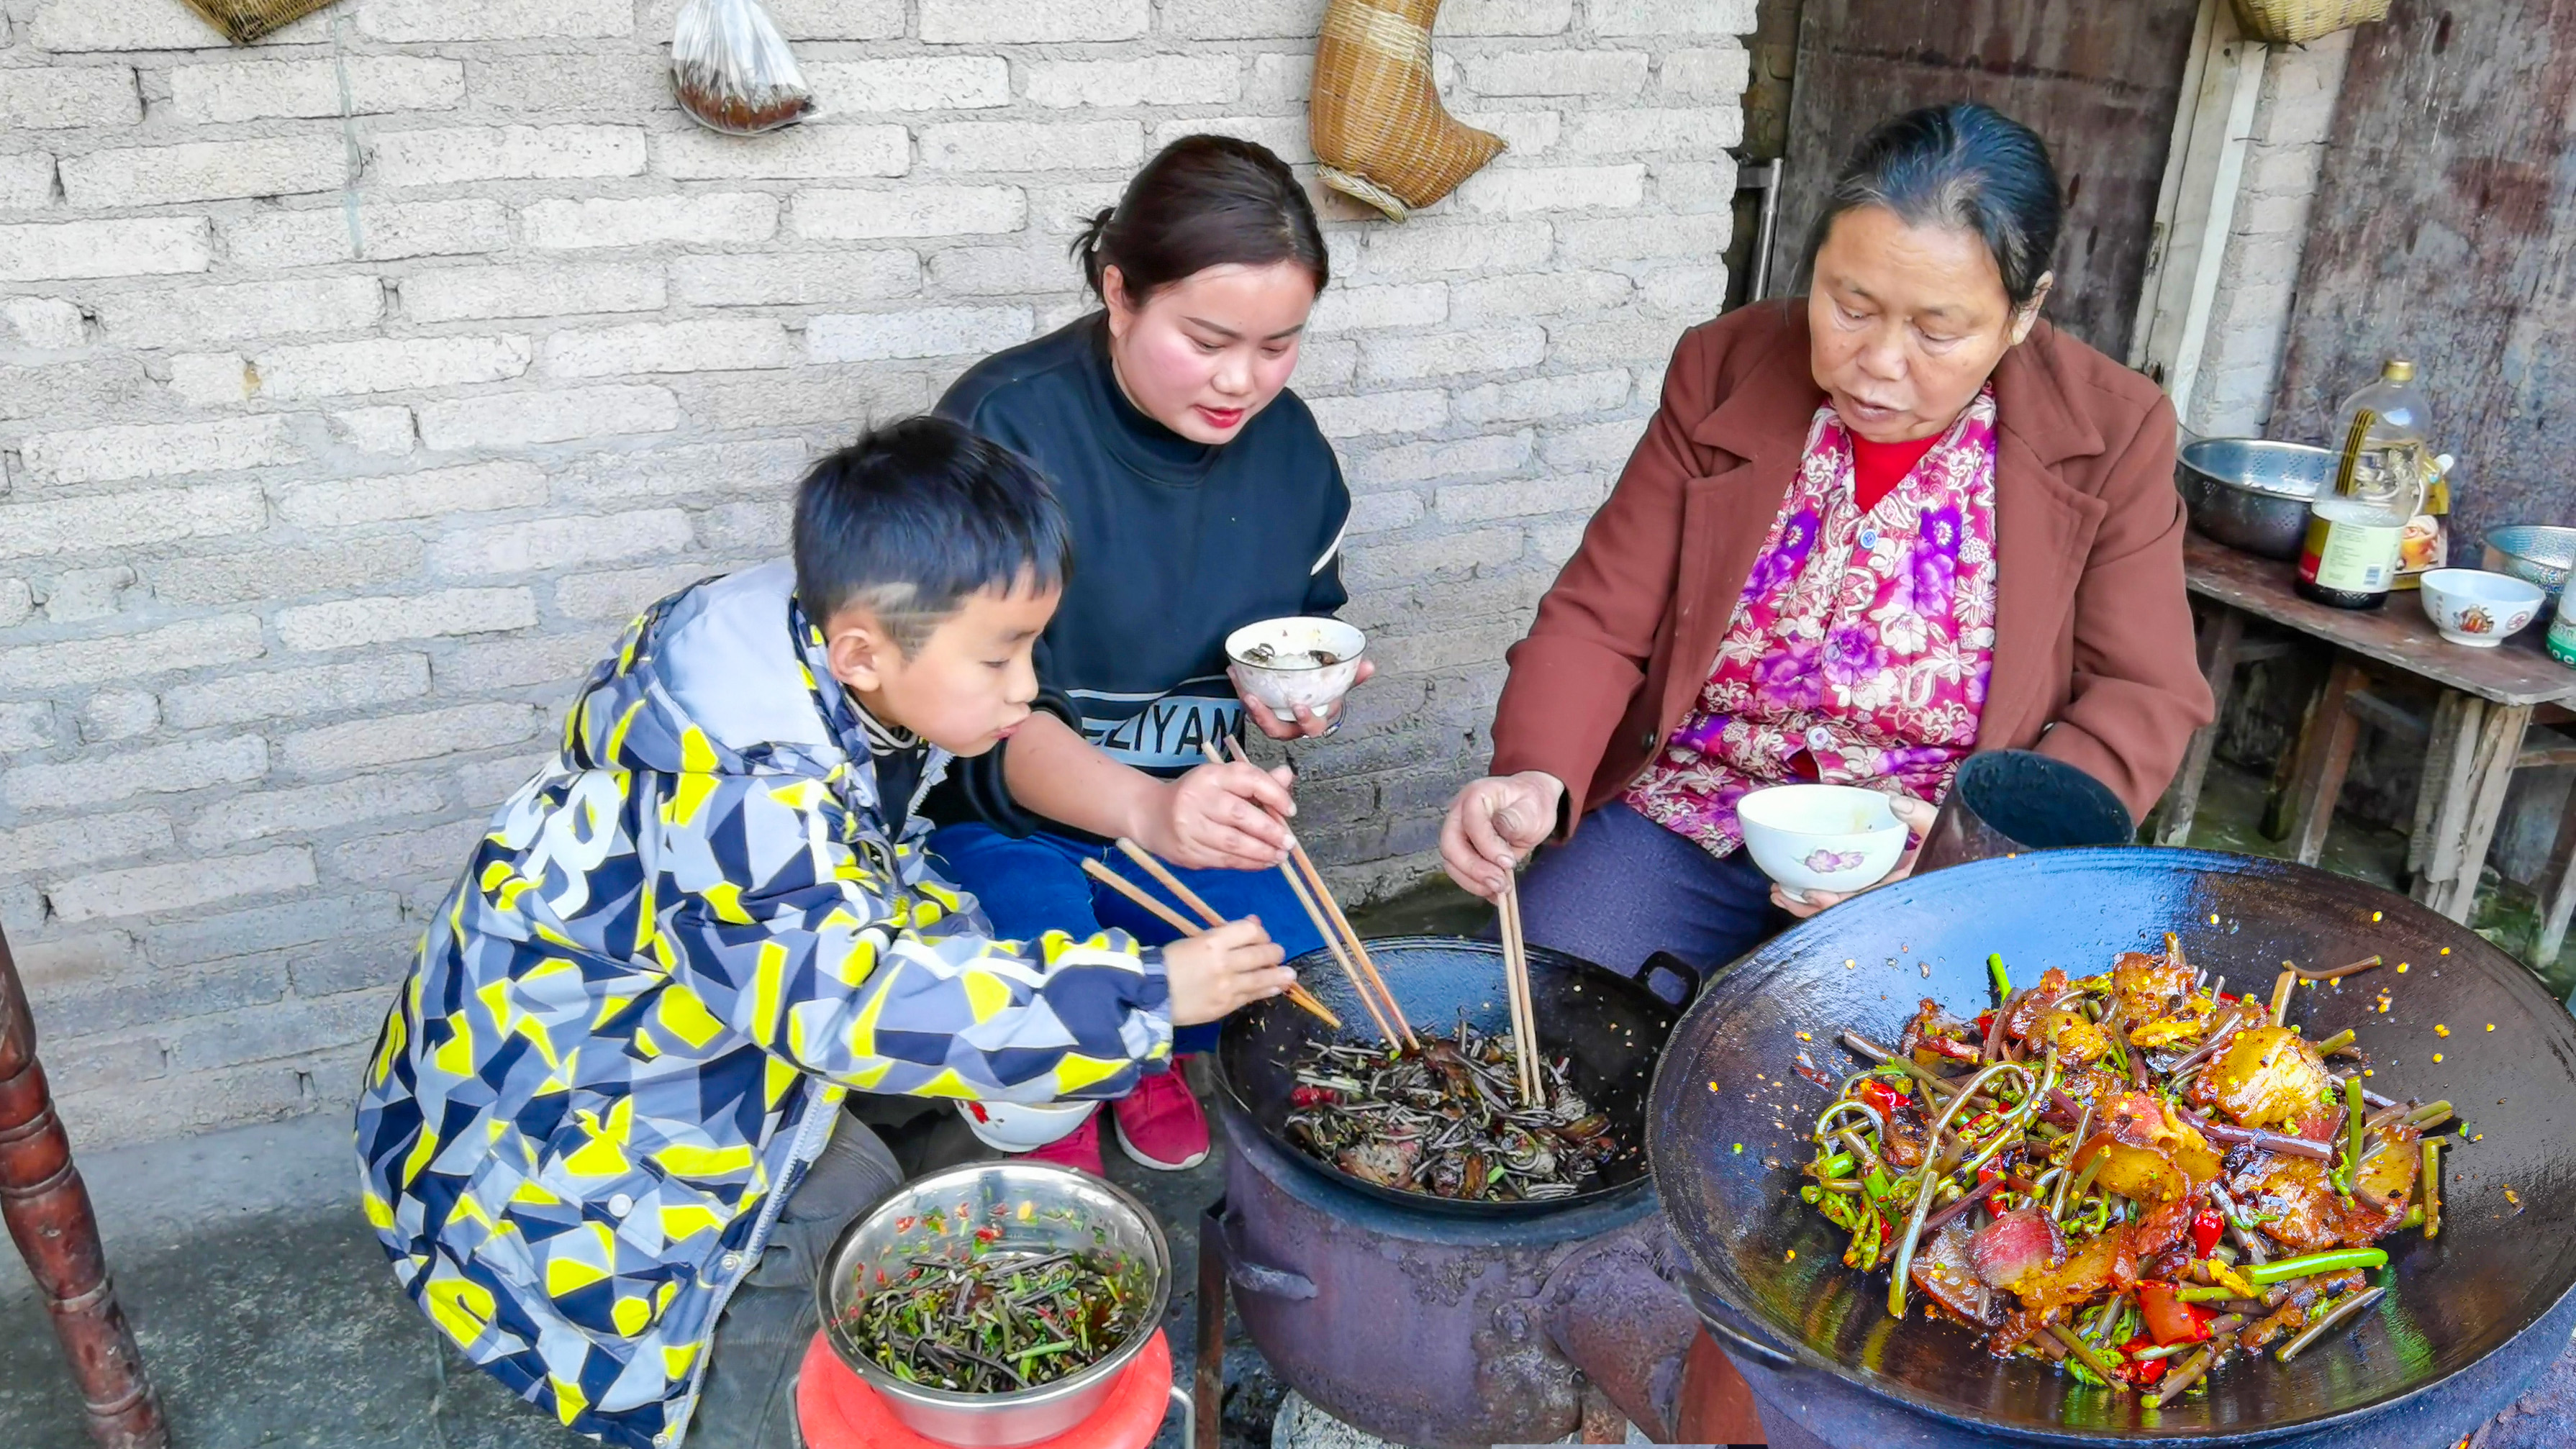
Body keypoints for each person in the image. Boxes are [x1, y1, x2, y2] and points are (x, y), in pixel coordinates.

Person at [352, 417, 1293, 1449]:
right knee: (819, 1263)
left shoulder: (805, 658)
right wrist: (1144, 993)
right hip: (563, 1131)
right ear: (863, 652)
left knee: (951, 1088)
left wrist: (1021, 985)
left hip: (650, 1029)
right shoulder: (741, 788)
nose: (1028, 688)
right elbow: (846, 1004)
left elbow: (853, 889)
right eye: (1001, 656)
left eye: (1032, 646)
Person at [1440, 103, 2213, 978]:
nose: (1878, 361)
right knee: (1544, 997)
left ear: (2022, 313)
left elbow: (2142, 689)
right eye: (1849, 305)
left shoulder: (2112, 431)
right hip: (1699, 807)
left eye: (1936, 329)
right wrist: (1535, 773)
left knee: (1896, 1077)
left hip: (1927, 855)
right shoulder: (1723, 368)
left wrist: (1972, 857)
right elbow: (1600, 612)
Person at [924, 135, 1361, 1175]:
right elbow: (962, 713)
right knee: (1037, 926)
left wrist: (1292, 707)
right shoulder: (1003, 431)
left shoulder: (1296, 456)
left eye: (1279, 344)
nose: (1241, 381)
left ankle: (1144, 1041)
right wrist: (1149, 810)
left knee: (1288, 959)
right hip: (1005, 819)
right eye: (1207, 338)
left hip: (1180, 809)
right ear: (1119, 294)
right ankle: (1075, 1061)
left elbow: (1288, 638)